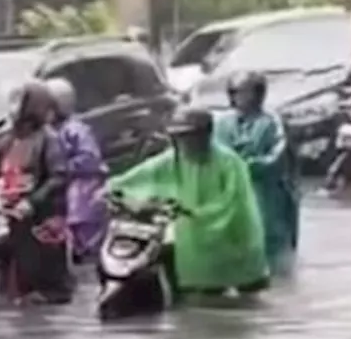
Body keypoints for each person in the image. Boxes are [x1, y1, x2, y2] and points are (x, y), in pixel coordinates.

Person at [108, 109, 269, 298]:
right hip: (196, 242)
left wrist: (193, 212)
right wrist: (113, 187)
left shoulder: (230, 162)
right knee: (201, 298)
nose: (184, 143)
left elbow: (231, 203)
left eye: (187, 137)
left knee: (246, 297)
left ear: (204, 136)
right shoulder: (174, 158)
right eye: (178, 137)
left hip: (234, 241)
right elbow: (143, 175)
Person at [0, 80, 72, 305]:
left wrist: (33, 202)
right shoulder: (10, 139)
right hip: (8, 212)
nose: (13, 109)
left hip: (38, 216)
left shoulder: (48, 139)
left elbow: (59, 177)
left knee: (41, 270)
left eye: (19, 103)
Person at [213, 72, 299, 275]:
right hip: (231, 191)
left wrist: (247, 166)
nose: (238, 97)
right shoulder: (221, 123)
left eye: (244, 92)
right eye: (234, 92)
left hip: (267, 194)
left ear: (259, 94)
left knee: (272, 246)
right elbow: (215, 154)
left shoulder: (272, 122)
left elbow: (277, 158)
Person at [44, 78, 109, 265]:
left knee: (84, 231)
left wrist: (63, 168)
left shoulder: (75, 130)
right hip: (68, 189)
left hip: (84, 189)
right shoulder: (50, 131)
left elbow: (90, 159)